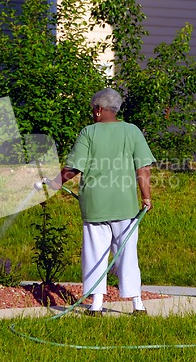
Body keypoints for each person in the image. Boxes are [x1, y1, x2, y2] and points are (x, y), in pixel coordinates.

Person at [48, 87, 155, 315]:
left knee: (95, 254)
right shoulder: (132, 131)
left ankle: (96, 306)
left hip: (95, 204)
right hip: (125, 205)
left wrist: (55, 183)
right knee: (127, 254)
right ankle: (137, 304)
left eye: (92, 109)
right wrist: (146, 197)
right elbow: (143, 168)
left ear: (98, 110)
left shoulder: (89, 133)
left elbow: (74, 167)